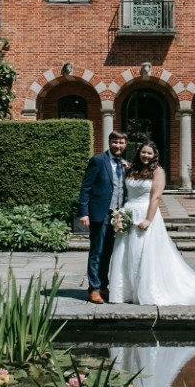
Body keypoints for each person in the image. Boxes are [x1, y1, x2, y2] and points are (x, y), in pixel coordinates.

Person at [109, 141, 195, 305]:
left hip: (145, 212)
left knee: (143, 252)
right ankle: (125, 291)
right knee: (125, 251)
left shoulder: (158, 171)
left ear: (155, 155)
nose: (146, 156)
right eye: (143, 152)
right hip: (128, 213)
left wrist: (148, 219)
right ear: (138, 152)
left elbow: (155, 197)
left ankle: (146, 290)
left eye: (149, 153)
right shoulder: (131, 169)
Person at [77, 130, 128, 304]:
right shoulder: (98, 160)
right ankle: (94, 289)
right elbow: (86, 188)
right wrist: (83, 212)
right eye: (115, 142)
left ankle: (103, 285)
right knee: (96, 252)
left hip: (117, 216)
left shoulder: (124, 164)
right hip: (99, 213)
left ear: (125, 145)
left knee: (108, 252)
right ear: (109, 142)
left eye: (121, 143)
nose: (118, 145)